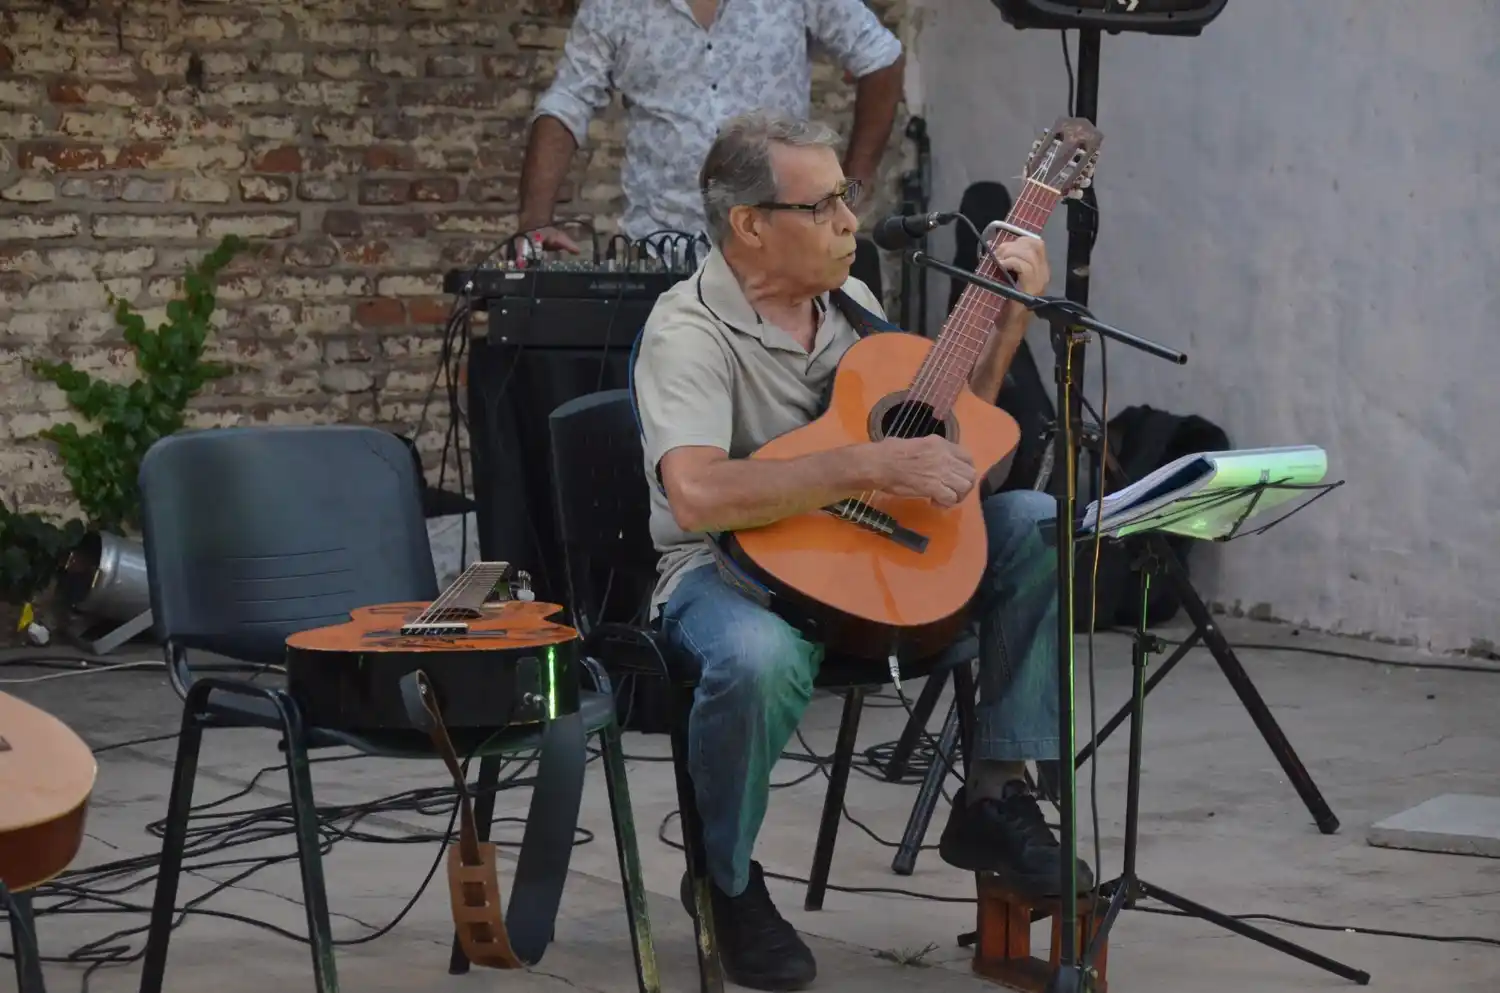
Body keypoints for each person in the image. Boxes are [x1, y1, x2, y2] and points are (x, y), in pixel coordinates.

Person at [631, 110, 1093, 992]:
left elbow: (950, 439)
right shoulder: (685, 332)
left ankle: (995, 793)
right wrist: (865, 461)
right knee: (759, 659)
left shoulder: (851, 302)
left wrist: (1005, 322)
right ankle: (725, 881)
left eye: (848, 196)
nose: (851, 220)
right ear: (751, 225)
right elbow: (695, 493)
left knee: (1034, 519)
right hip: (724, 570)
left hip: (864, 554)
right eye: (826, 205)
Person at [518, 0, 906, 252]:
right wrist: (534, 224)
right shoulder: (614, 7)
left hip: (784, 247)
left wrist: (851, 187)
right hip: (665, 251)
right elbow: (567, 102)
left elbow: (880, 56)